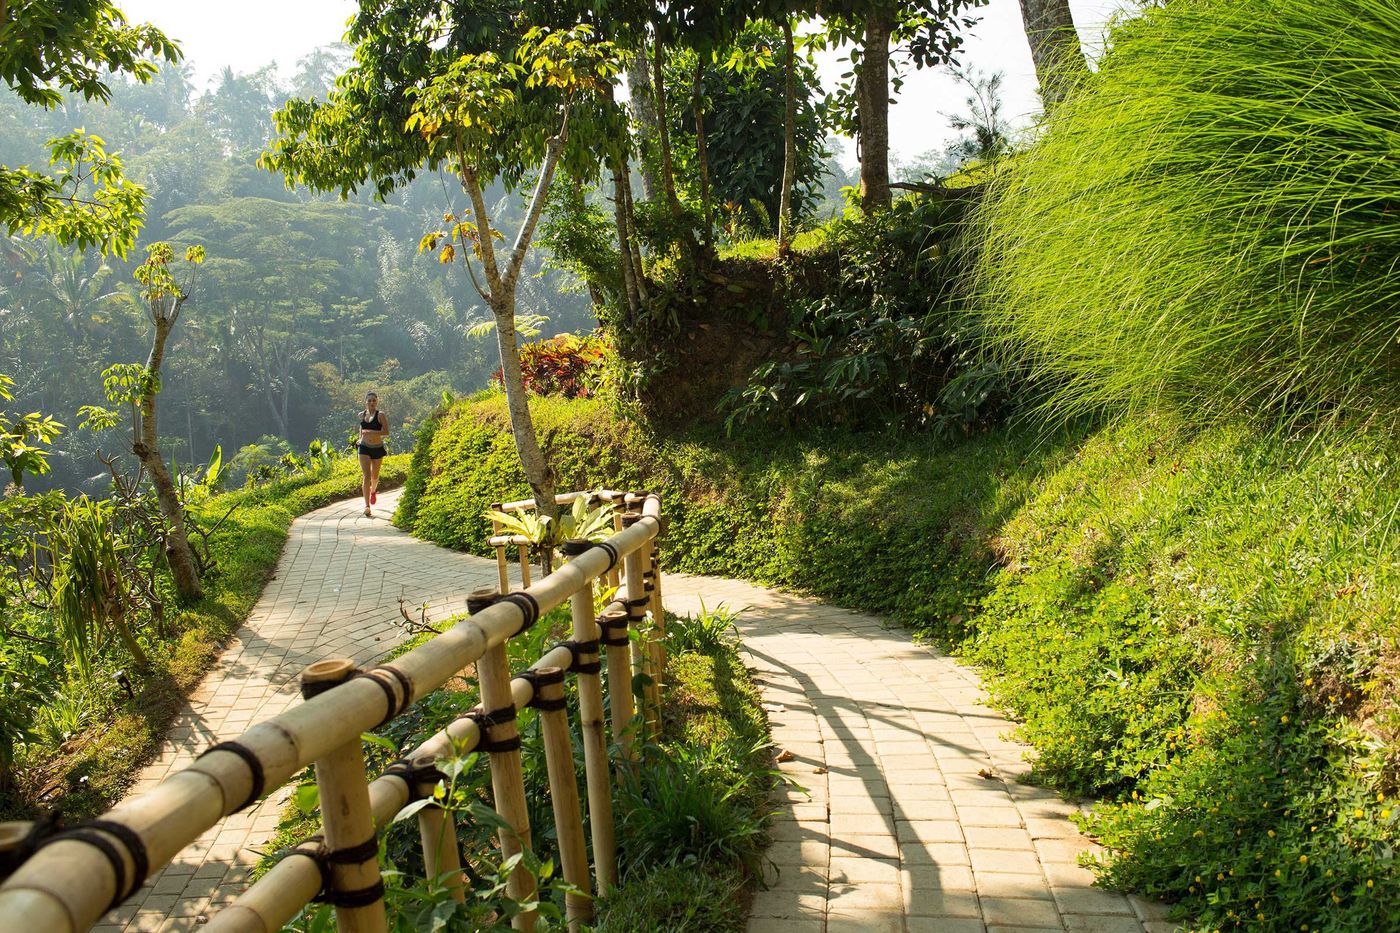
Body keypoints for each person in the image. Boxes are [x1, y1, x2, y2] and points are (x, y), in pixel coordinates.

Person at [358, 391, 389, 516]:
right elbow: (362, 428)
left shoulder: (380, 415)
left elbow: (386, 431)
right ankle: (367, 506)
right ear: (366, 402)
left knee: (374, 477)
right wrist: (360, 438)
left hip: (377, 448)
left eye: (374, 400)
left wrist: (371, 432)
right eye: (369, 400)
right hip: (364, 447)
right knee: (366, 475)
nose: (371, 403)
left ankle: (373, 491)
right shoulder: (362, 415)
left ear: (377, 401)